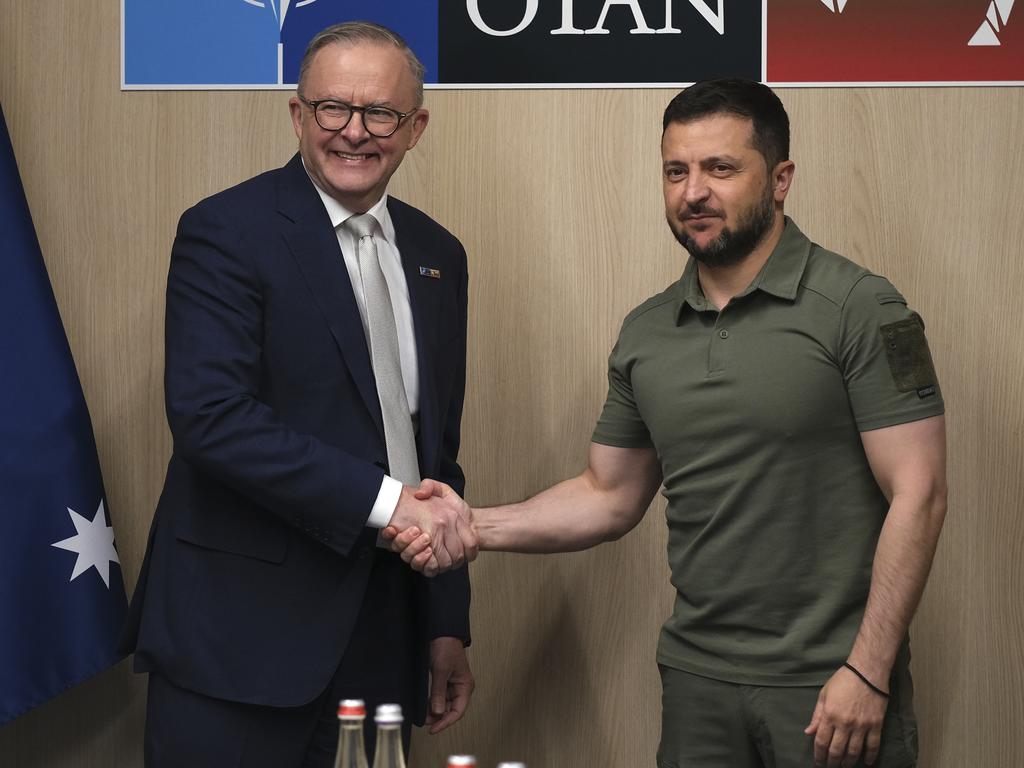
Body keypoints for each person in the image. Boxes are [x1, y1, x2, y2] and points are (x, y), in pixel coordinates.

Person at [389, 79, 947, 768]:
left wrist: (868, 670)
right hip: (696, 681)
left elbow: (918, 494)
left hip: (831, 684)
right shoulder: (648, 332)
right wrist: (471, 525)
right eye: (676, 171)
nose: (693, 192)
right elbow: (608, 493)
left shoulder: (862, 307)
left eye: (721, 168)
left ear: (780, 179)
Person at [121, 22, 477, 768]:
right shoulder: (226, 231)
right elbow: (211, 419)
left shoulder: (438, 256)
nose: (355, 132)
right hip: (238, 643)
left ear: (415, 128)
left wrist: (445, 623)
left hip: (385, 642)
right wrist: (390, 505)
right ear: (296, 115)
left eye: (380, 113)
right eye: (332, 109)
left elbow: (436, 452)